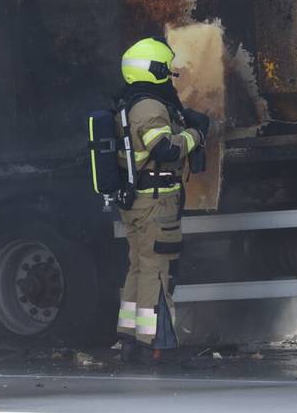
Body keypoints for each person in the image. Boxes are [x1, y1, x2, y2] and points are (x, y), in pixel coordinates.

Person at [114, 37, 209, 363]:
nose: (170, 77)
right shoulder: (150, 107)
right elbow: (164, 149)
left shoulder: (132, 103)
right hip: (156, 203)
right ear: (154, 71)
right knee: (157, 271)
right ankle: (156, 344)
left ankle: (131, 340)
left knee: (139, 269)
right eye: (166, 71)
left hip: (141, 200)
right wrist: (195, 135)